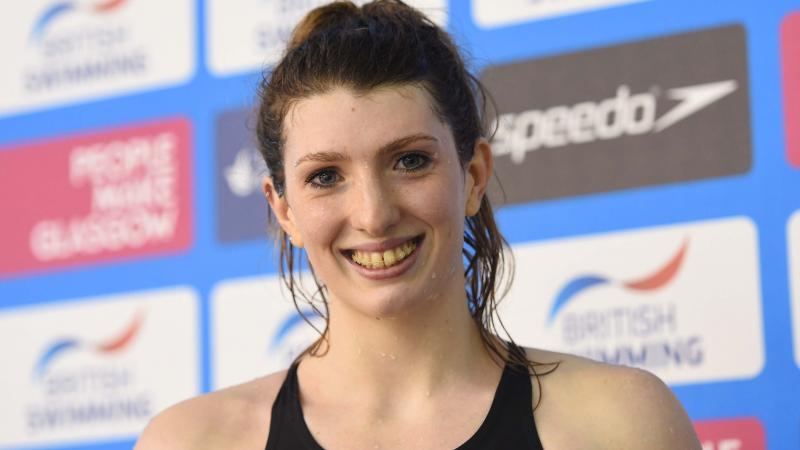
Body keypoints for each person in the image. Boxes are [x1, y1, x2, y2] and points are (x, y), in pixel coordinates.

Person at [136, 1, 701, 448]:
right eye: (326, 176)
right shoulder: (190, 442)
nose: (374, 214)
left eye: (409, 161)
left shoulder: (622, 427)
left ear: (474, 174)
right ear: (284, 210)